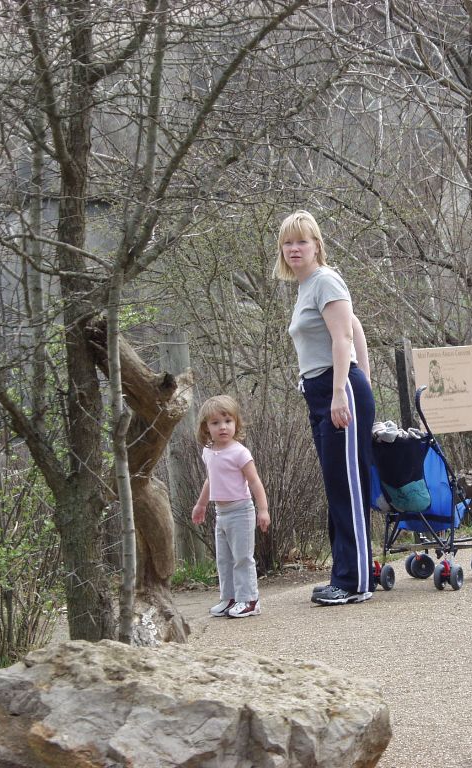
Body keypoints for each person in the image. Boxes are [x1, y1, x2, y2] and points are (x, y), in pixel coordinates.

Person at [274, 209, 376, 606]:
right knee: (337, 486)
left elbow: (343, 338)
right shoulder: (306, 287)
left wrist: (345, 389)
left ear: (317, 245)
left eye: (302, 241)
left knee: (349, 488)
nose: (294, 248)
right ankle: (343, 576)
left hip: (337, 388)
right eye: (288, 242)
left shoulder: (326, 279)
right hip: (319, 391)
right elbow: (356, 325)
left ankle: (357, 582)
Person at [191, 395, 270, 618]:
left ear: (236, 423)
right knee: (224, 559)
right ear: (206, 428)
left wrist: (263, 510)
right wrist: (201, 504)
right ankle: (230, 598)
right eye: (215, 423)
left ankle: (249, 600)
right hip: (221, 513)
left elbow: (254, 481)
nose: (223, 427)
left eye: (228, 421)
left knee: (242, 558)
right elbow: (210, 480)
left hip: (241, 512)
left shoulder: (239, 452)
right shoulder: (208, 452)